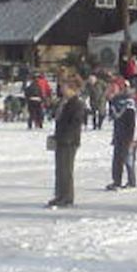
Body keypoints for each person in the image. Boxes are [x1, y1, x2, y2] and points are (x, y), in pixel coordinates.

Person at [50, 76, 86, 208]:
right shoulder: (64, 102)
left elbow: (75, 123)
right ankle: (59, 195)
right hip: (61, 139)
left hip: (69, 141)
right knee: (59, 170)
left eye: (64, 87)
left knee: (66, 170)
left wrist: (67, 137)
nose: (62, 89)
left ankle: (67, 197)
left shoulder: (77, 103)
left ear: (72, 89)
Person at [107, 86, 137, 190]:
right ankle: (117, 181)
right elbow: (115, 120)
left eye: (111, 91)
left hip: (128, 137)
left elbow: (133, 124)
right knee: (117, 160)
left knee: (128, 159)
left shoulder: (129, 105)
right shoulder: (115, 104)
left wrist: (132, 139)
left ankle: (131, 181)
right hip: (119, 136)